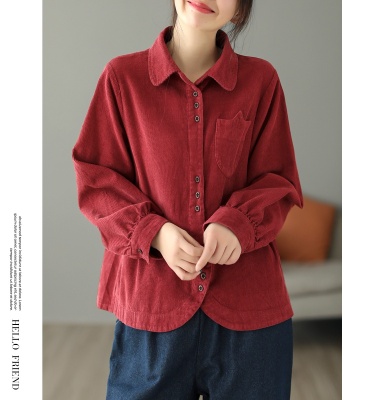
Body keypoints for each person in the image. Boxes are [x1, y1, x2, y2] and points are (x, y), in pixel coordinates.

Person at [72, 0, 303, 398]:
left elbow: (279, 178)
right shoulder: (122, 78)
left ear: (240, 9)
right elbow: (96, 180)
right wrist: (154, 232)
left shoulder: (261, 81)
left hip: (249, 316)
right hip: (151, 308)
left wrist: (237, 222)